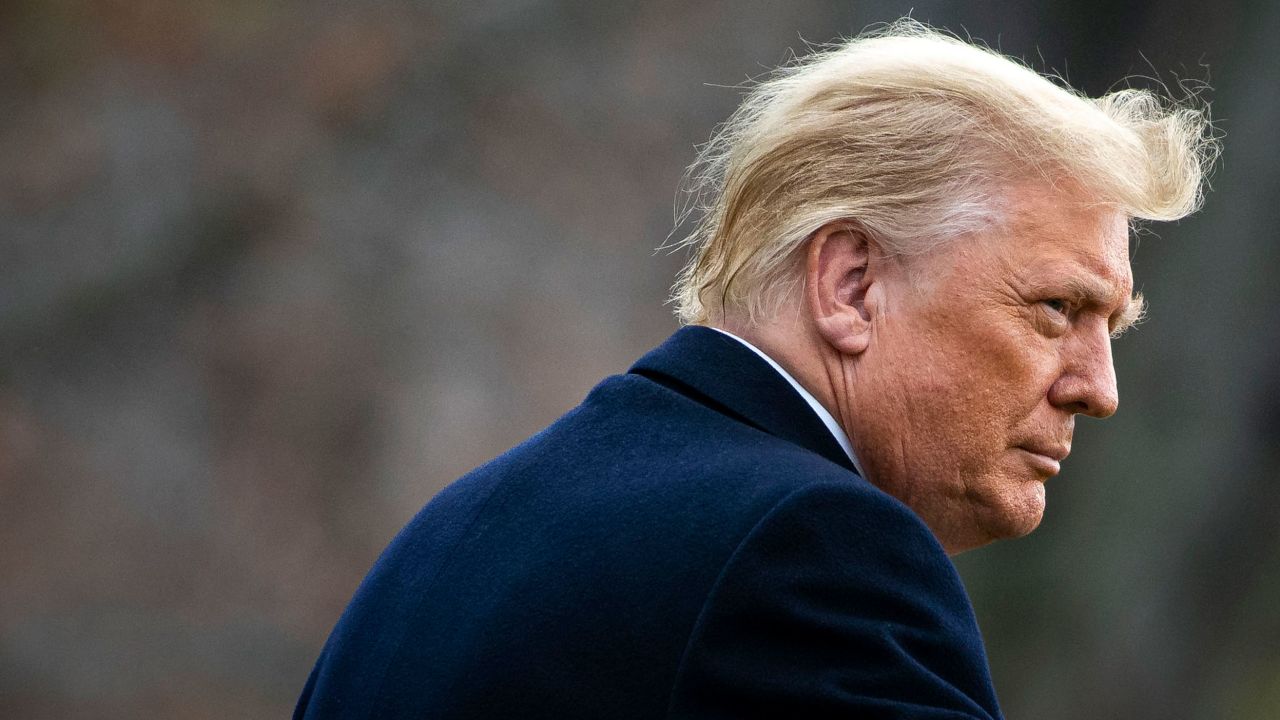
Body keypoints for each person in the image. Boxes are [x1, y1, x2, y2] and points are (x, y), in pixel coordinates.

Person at [294, 20, 1212, 719]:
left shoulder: (457, 532)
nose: (1098, 387)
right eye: (1057, 310)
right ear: (850, 286)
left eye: (1111, 327)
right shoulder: (813, 553)